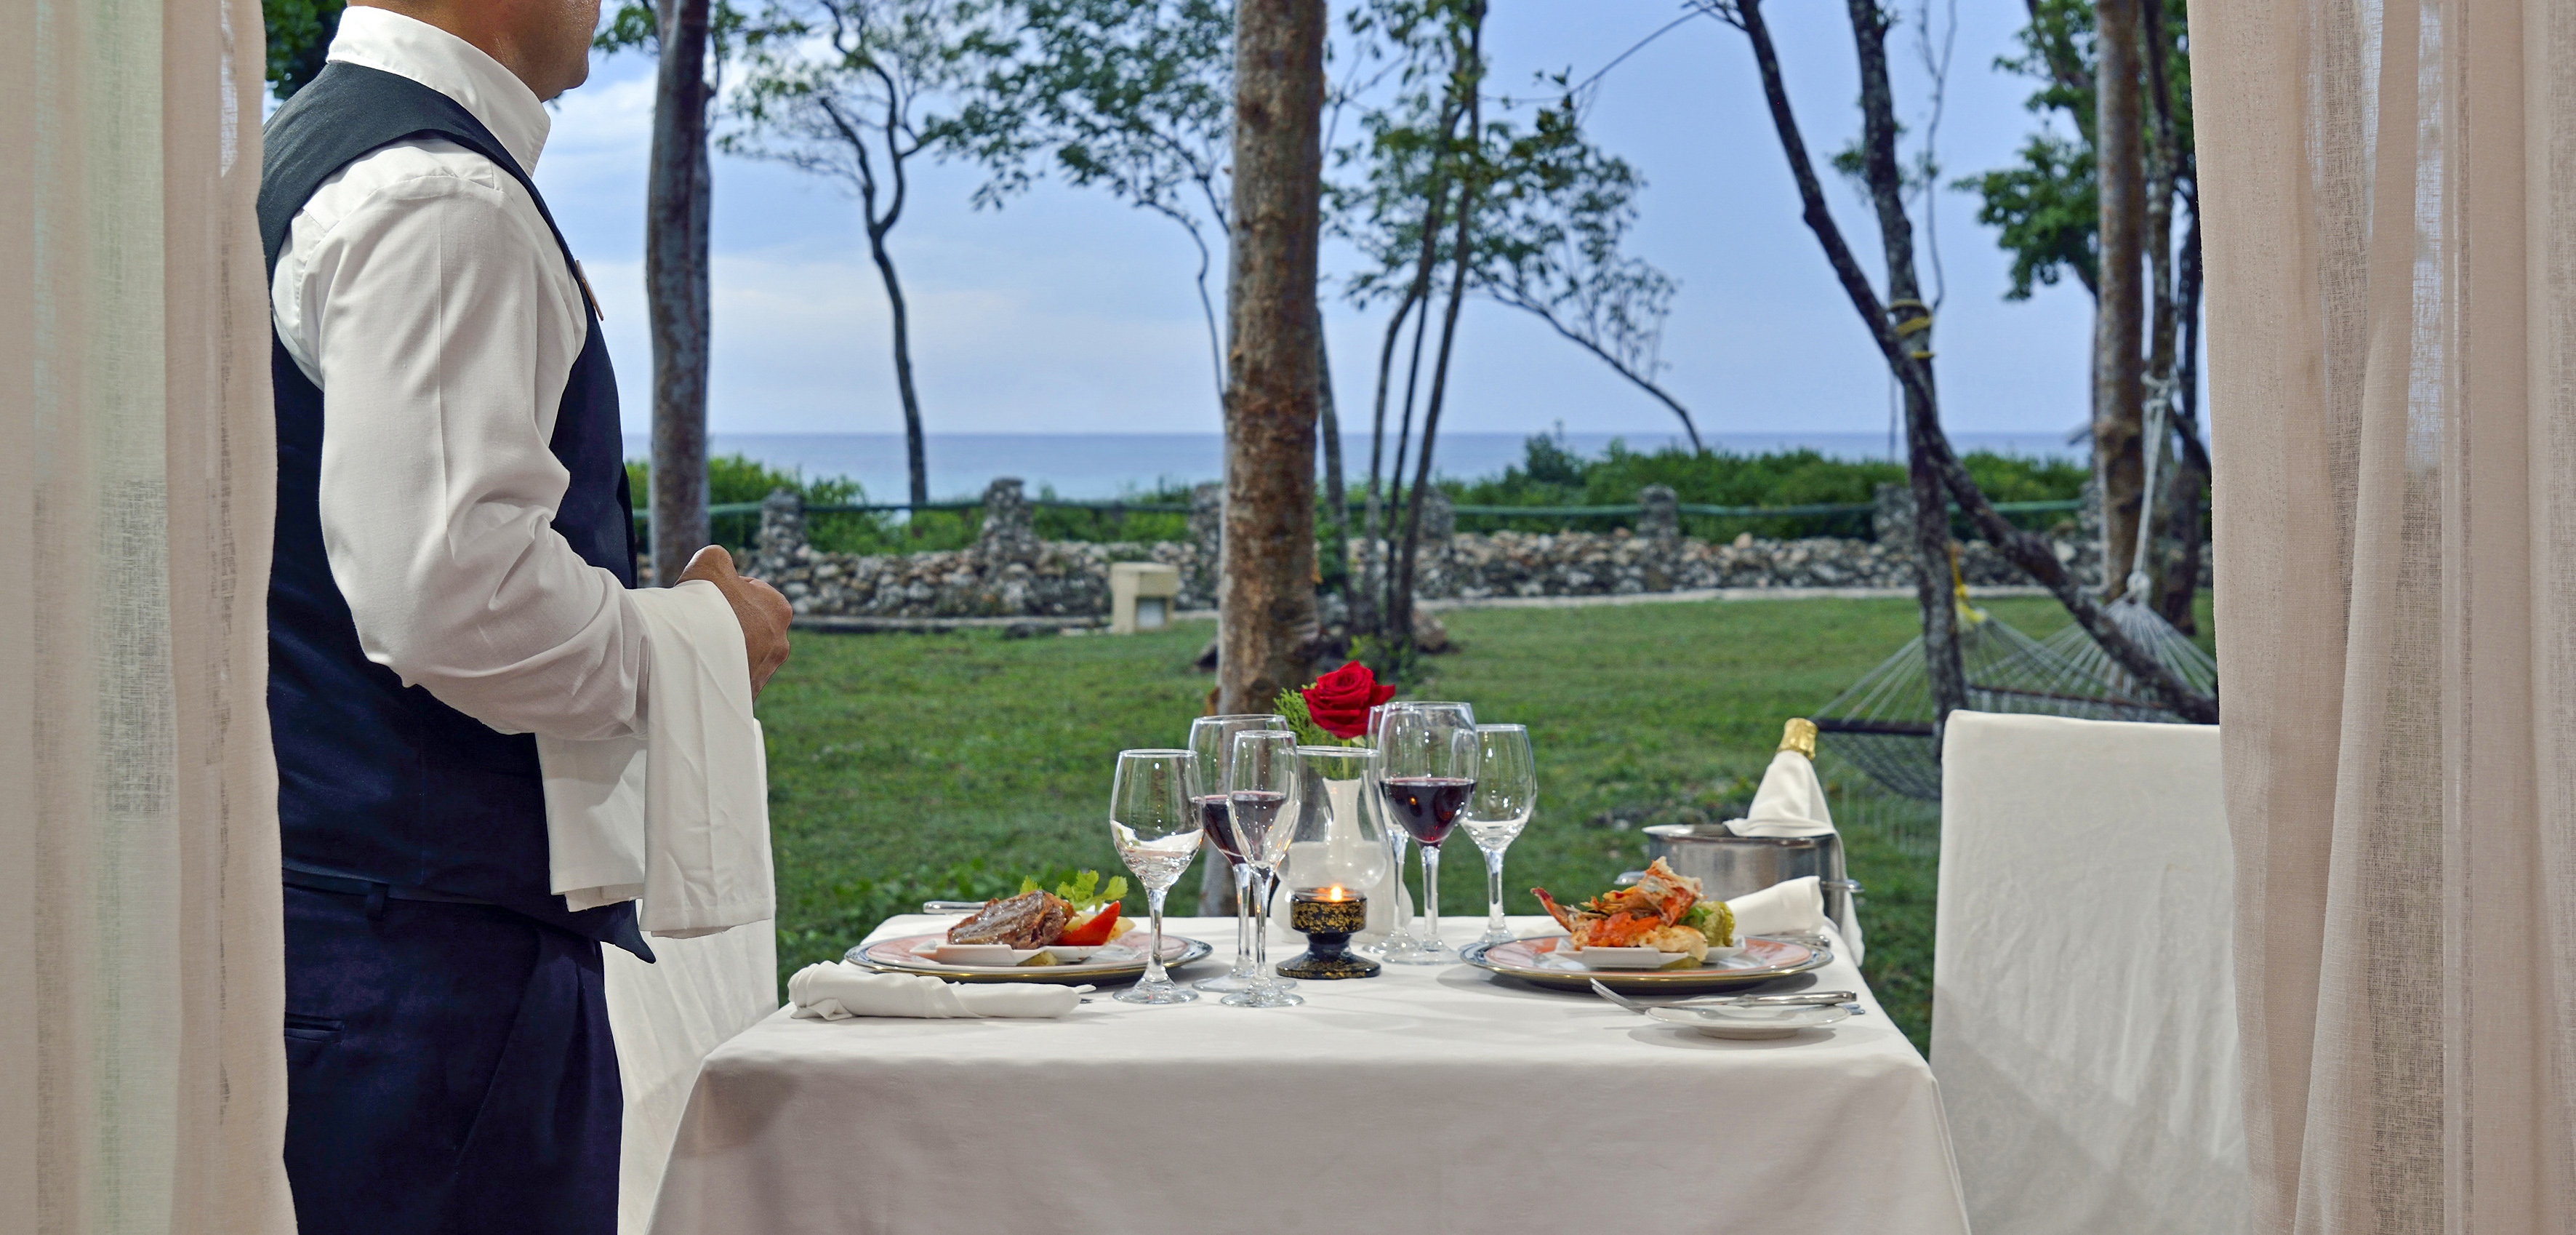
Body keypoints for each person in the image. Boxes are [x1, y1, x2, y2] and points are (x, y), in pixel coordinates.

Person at [257, 2, 790, 1231]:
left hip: (342, 928)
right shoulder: (444, 199)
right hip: (429, 982)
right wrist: (701, 637)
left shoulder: (304, 152)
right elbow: (453, 593)